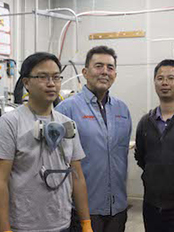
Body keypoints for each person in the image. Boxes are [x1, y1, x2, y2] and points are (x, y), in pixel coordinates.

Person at [0, 52, 93, 232]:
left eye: (56, 77)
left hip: (62, 224)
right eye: (42, 77)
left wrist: (86, 223)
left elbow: (78, 178)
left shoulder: (67, 125)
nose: (51, 83)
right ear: (26, 82)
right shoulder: (9, 124)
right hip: (23, 226)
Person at [56, 45, 132, 232]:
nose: (105, 72)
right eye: (98, 66)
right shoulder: (66, 110)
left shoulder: (122, 110)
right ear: (85, 72)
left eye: (110, 67)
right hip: (81, 210)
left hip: (118, 208)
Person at [135, 59, 174, 232]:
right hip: (151, 206)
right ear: (155, 83)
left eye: (171, 78)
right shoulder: (145, 122)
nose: (165, 82)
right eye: (160, 78)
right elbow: (142, 158)